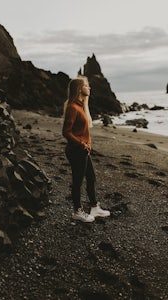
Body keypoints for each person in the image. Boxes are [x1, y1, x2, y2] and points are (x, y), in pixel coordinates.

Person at [62, 76, 110, 222]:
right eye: (86, 85)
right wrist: (81, 144)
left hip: (83, 150)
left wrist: (87, 145)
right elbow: (66, 131)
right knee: (77, 181)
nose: (89, 88)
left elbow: (81, 131)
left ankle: (94, 208)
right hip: (76, 150)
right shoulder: (72, 107)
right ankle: (77, 211)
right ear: (79, 89)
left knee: (91, 177)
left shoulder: (81, 106)